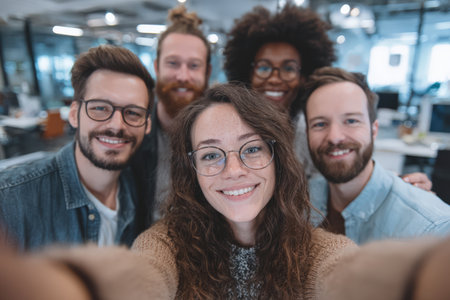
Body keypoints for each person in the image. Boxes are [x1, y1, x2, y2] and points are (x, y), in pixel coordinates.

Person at [131, 83, 356, 298]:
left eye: (251, 149)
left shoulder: (321, 253)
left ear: (277, 159)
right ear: (193, 171)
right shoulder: (164, 247)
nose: (234, 170)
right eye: (210, 155)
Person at [223, 3, 432, 190]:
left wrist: (400, 185)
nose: (275, 79)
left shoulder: (311, 132)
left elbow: (350, 174)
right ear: (247, 72)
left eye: (289, 68)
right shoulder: (228, 126)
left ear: (304, 76)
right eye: (264, 67)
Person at [0, 45, 154, 251]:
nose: (117, 125)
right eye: (100, 108)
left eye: (133, 112)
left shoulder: (141, 192)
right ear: (74, 114)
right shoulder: (10, 201)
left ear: (147, 125)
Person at [303, 67, 450, 244]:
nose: (334, 137)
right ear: (307, 133)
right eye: (319, 124)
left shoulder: (432, 229)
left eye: (351, 121)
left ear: (374, 130)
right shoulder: (298, 202)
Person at [131, 5, 211, 223]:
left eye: (194, 65)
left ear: (207, 72)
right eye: (173, 63)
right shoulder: (131, 136)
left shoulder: (224, 137)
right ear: (157, 67)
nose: (183, 76)